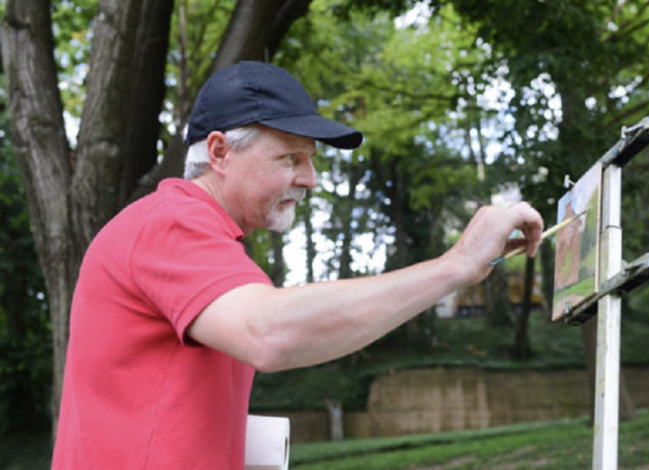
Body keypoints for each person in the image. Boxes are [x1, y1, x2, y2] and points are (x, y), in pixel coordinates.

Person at [51, 61, 543, 470]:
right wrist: (455, 265)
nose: (310, 179)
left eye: (309, 160)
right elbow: (270, 333)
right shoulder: (171, 223)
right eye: (290, 158)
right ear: (220, 152)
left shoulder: (198, 238)